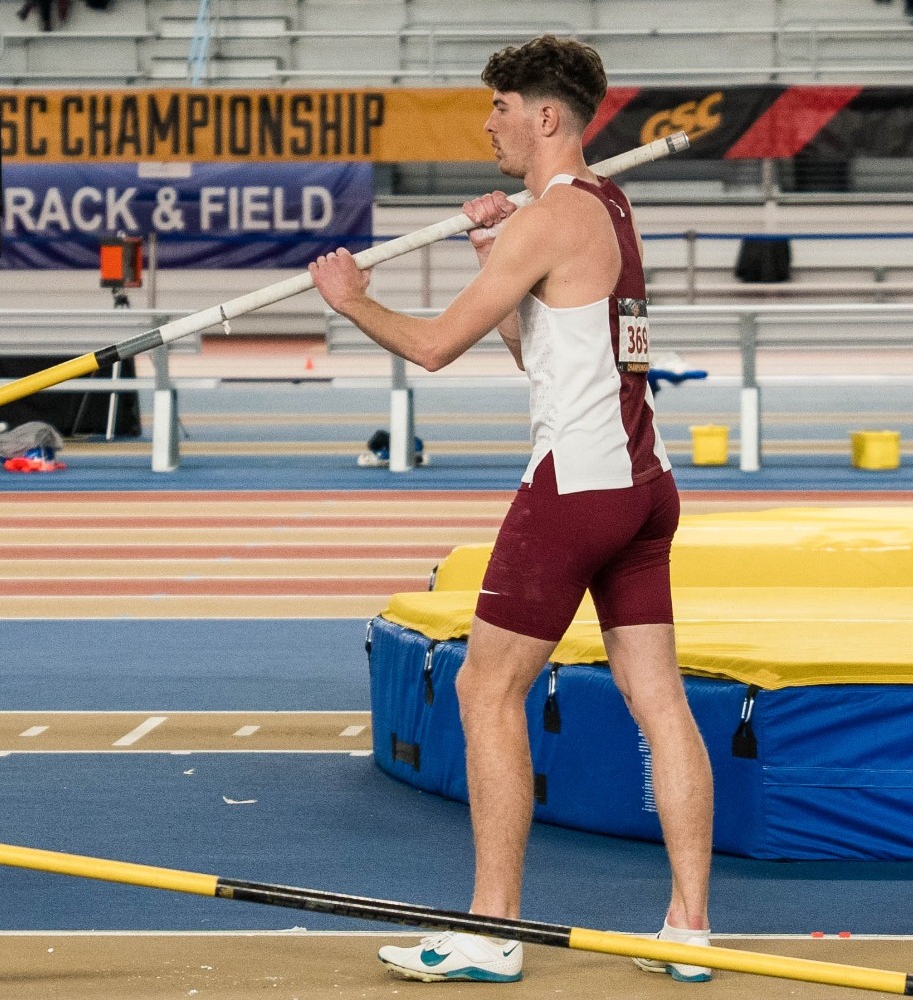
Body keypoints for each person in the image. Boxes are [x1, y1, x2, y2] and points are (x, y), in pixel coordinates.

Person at [308, 35, 714, 986]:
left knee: (484, 692)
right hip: (644, 491)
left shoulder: (552, 217)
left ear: (545, 118)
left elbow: (433, 348)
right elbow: (541, 351)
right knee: (660, 703)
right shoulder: (604, 207)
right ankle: (689, 930)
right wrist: (497, 252)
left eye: (498, 107)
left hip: (574, 491)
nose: (485, 122)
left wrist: (350, 300)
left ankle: (491, 933)